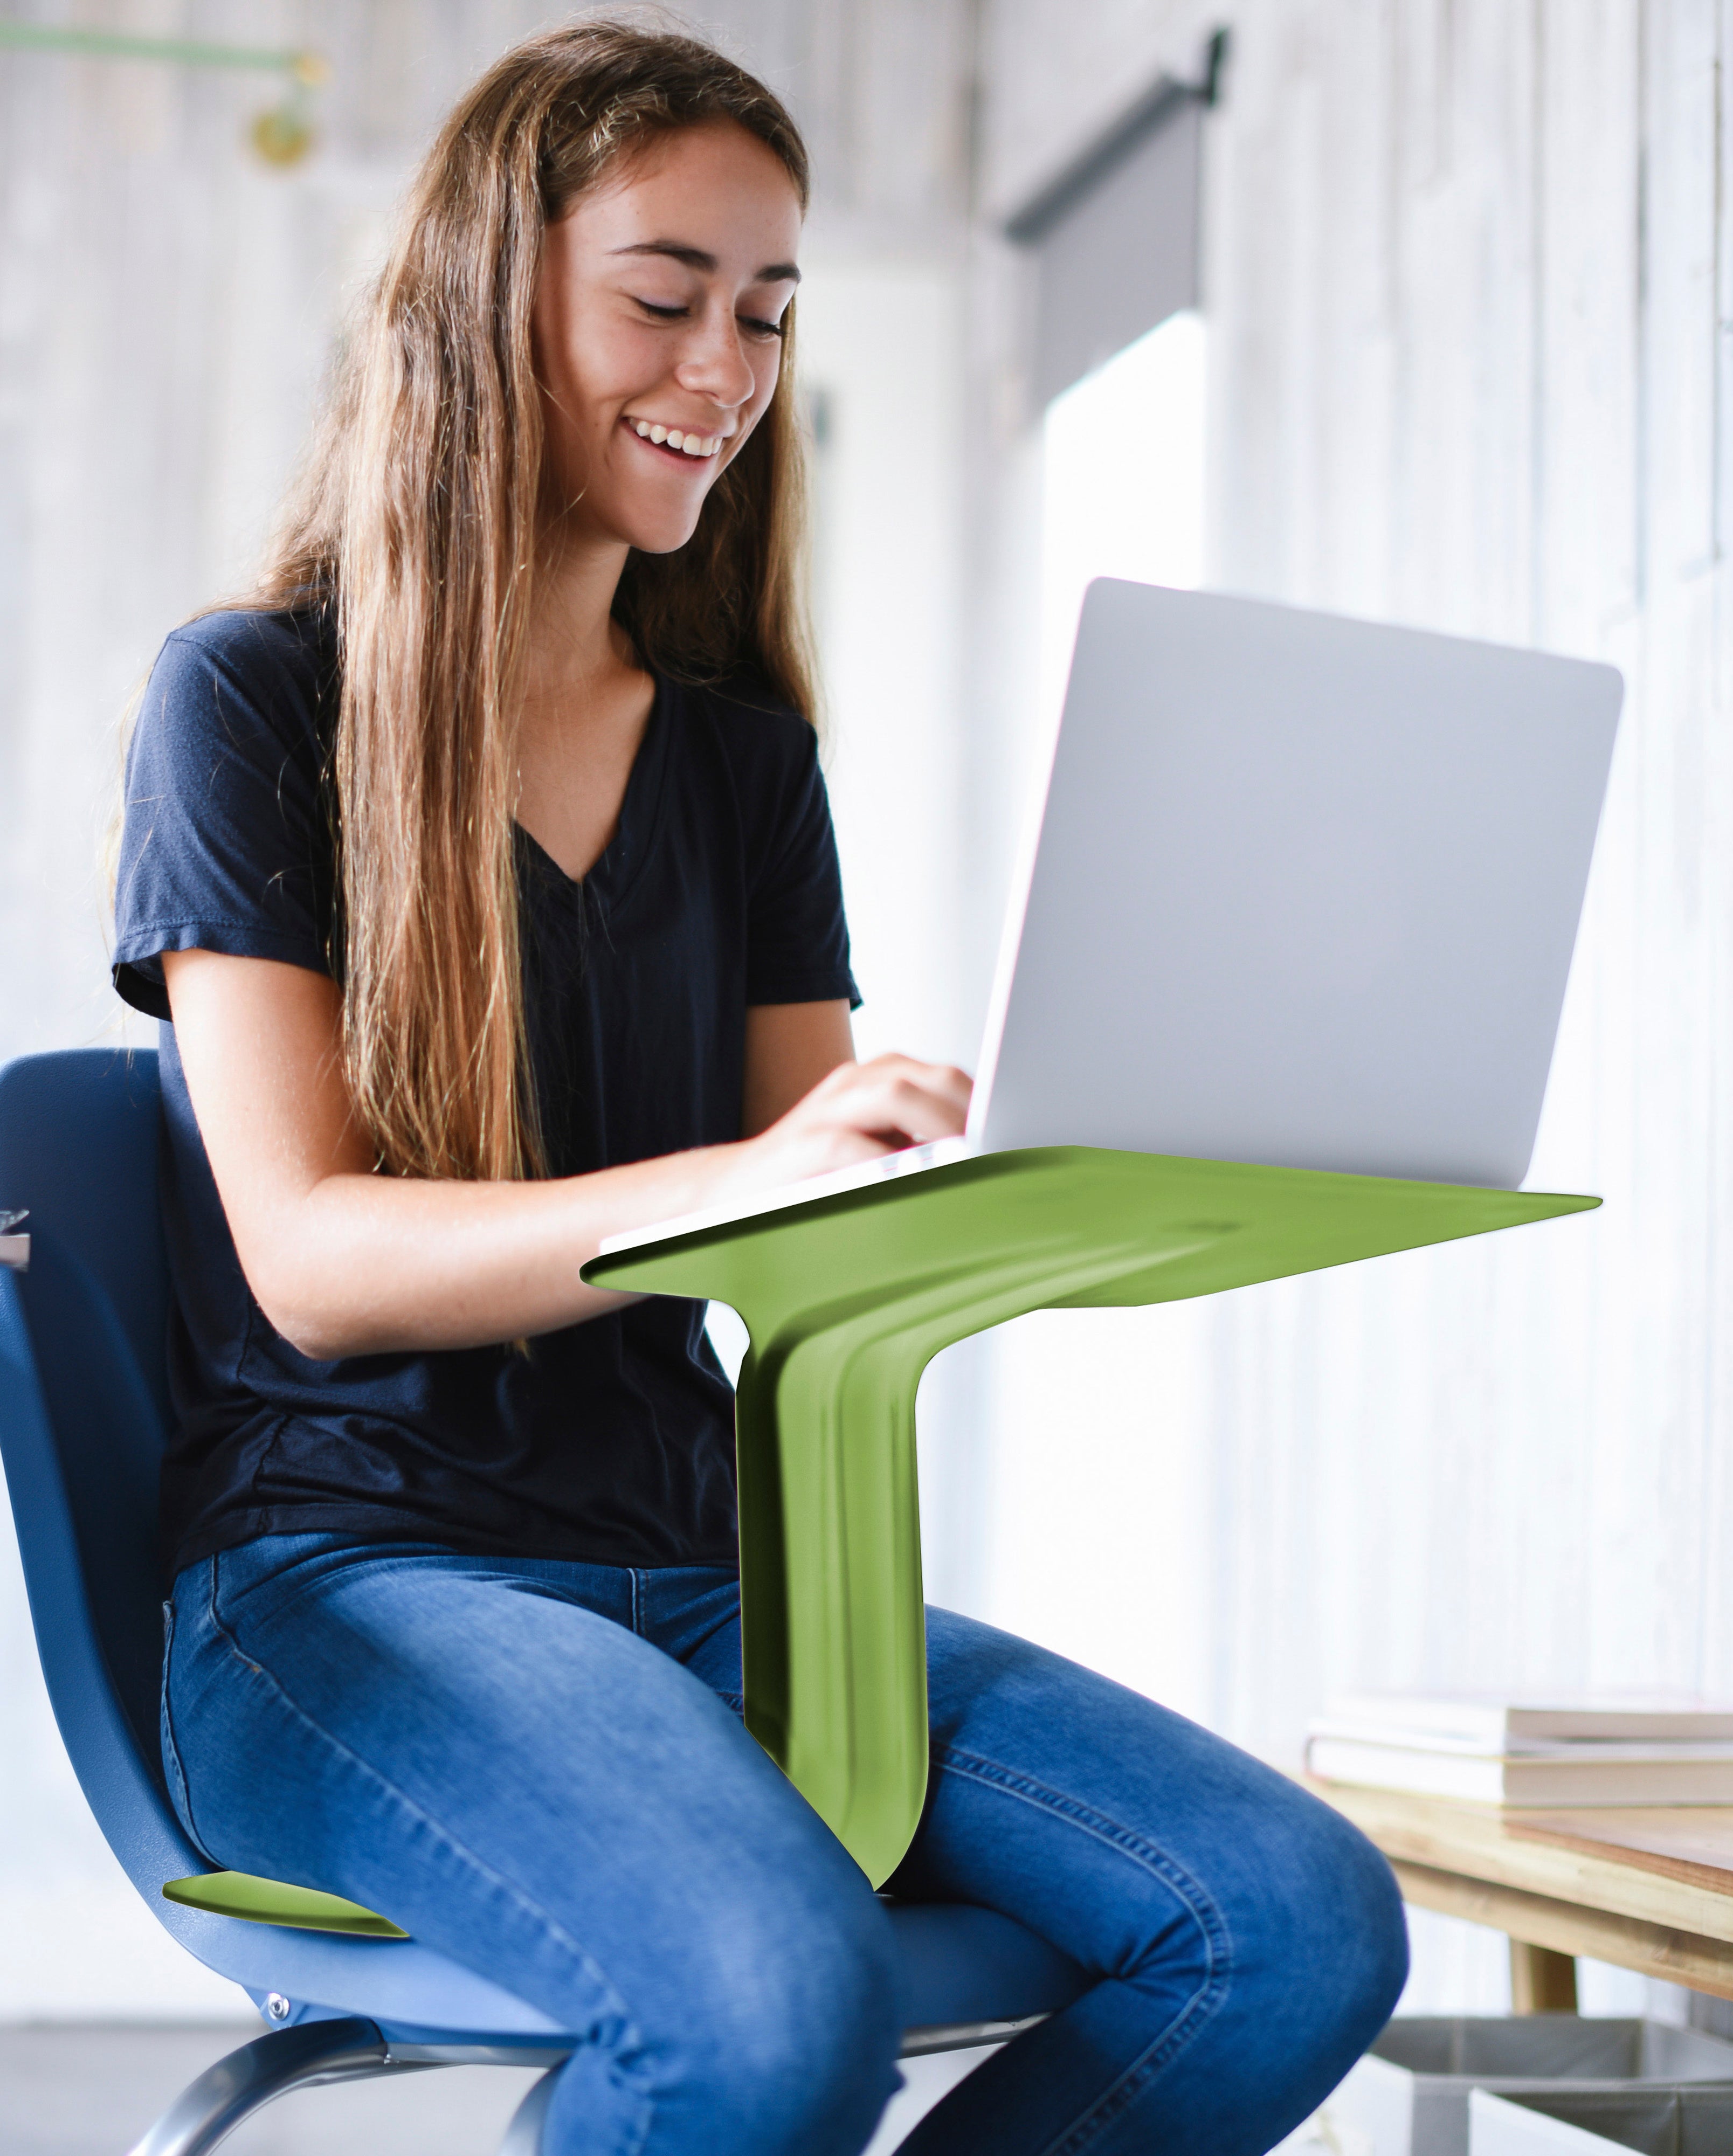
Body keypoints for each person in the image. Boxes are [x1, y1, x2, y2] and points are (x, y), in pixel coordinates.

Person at [111, 20, 1406, 2154]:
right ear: (488, 294)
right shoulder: (248, 700)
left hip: (709, 1564)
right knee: (773, 2006)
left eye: (768, 314)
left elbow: (806, 1233)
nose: (723, 369)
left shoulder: (737, 762)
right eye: (662, 296)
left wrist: (1037, 1176)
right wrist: (752, 1172)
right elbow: (316, 1263)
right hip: (344, 1579)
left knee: (1290, 1919)